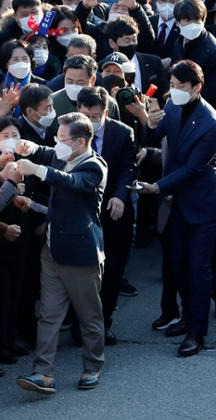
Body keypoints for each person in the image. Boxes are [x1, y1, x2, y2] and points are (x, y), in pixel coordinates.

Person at [14, 112, 107, 394]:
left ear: (80, 142)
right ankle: (43, 373)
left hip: (81, 255)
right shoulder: (61, 153)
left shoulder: (94, 167)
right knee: (49, 315)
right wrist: (31, 149)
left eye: (62, 139)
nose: (58, 144)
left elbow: (71, 182)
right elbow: (48, 153)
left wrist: (37, 169)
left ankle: (93, 366)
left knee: (88, 316)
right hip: (52, 251)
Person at [139, 60, 216, 357]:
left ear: (197, 87)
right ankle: (185, 316)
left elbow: (194, 167)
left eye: (181, 87)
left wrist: (159, 187)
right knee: (177, 264)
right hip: (174, 203)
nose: (175, 91)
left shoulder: (210, 122)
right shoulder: (171, 106)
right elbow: (154, 138)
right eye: (172, 86)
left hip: (201, 204)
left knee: (199, 268)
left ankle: (197, 332)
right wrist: (150, 122)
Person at [77, 86, 136, 344]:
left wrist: (120, 196)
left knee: (111, 271)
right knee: (80, 272)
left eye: (96, 114)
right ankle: (80, 326)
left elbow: (128, 169)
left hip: (113, 212)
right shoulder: (67, 130)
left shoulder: (122, 133)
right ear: (78, 110)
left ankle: (103, 324)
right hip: (79, 211)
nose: (91, 119)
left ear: (106, 111)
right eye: (86, 113)